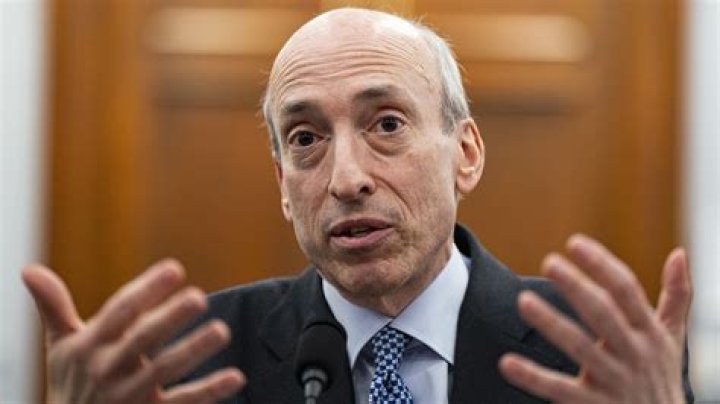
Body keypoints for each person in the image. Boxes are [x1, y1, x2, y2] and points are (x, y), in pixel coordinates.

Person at [22, 7, 693, 404]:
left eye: (387, 125)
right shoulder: (189, 366)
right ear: (283, 185)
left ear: (465, 154)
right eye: (306, 139)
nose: (346, 179)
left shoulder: (600, 355)